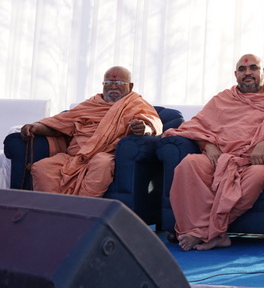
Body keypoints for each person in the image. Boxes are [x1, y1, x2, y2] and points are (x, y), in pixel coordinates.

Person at [166, 54, 264, 251]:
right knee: (189, 164)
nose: (247, 73)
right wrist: (207, 144)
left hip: (254, 162)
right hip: (219, 157)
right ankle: (211, 234)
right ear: (236, 75)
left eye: (253, 68)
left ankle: (206, 233)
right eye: (242, 69)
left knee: (258, 175)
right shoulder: (223, 99)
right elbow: (196, 125)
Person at [22, 66, 162, 197]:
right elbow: (61, 122)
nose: (113, 86)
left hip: (105, 154)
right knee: (42, 167)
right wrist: (36, 127)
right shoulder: (90, 104)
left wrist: (145, 129)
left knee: (102, 164)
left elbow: (153, 122)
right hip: (75, 157)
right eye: (108, 82)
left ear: (130, 86)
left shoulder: (136, 104)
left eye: (119, 82)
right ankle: (53, 210)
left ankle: (82, 209)